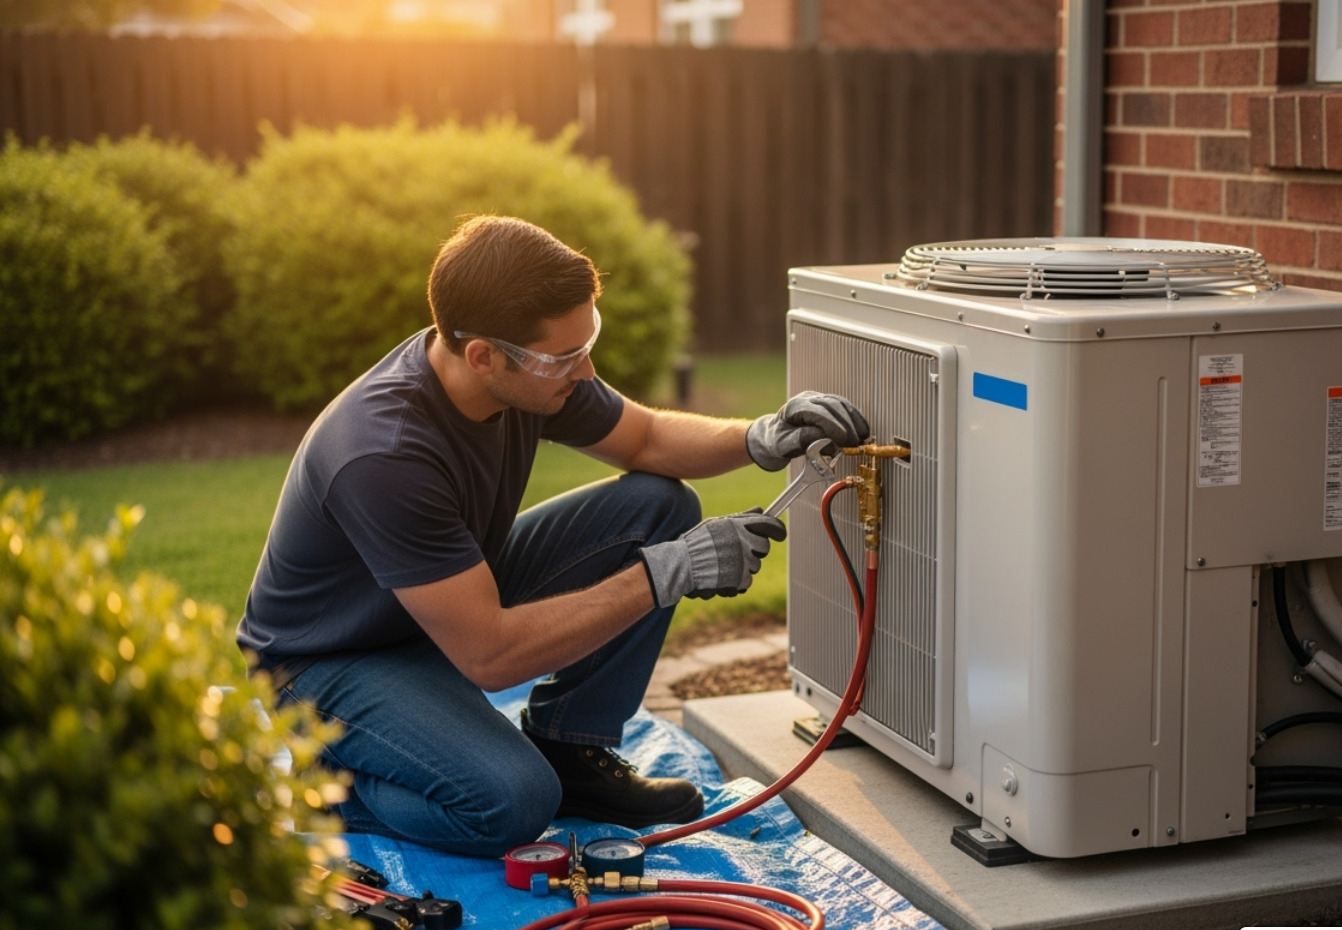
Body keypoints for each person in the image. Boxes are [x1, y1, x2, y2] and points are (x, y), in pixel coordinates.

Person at [237, 215, 868, 858]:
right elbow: (491, 657)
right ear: (483, 355)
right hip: (331, 657)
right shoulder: (384, 455)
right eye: (565, 356)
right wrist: (665, 575)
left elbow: (646, 439)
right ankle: (329, 788)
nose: (586, 369)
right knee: (511, 803)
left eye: (586, 340)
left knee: (657, 505)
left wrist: (760, 437)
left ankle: (571, 750)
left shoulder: (524, 376)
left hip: (439, 606)